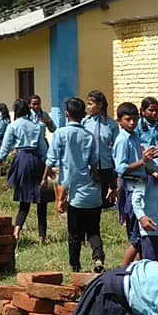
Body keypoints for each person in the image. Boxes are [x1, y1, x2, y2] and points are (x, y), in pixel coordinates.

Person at [47, 97, 106, 273]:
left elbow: (51, 159)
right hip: (93, 192)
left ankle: (75, 266)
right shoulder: (89, 136)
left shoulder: (60, 134)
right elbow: (94, 162)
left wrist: (45, 177)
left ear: (66, 114)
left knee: (74, 233)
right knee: (94, 230)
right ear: (83, 114)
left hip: (75, 194)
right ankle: (98, 257)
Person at [0, 99, 50, 244]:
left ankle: (16, 231)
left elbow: (5, 147)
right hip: (36, 160)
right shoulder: (37, 126)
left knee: (24, 199)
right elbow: (43, 149)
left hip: (22, 160)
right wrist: (49, 167)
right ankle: (41, 237)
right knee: (41, 201)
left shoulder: (13, 126)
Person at [112, 102, 153, 267]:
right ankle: (122, 270)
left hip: (141, 184)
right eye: (128, 119)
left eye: (135, 119)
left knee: (141, 235)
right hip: (130, 187)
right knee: (137, 236)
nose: (132, 123)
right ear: (119, 121)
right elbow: (121, 168)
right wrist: (142, 161)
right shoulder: (122, 140)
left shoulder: (135, 136)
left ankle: (139, 268)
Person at [83, 90, 120, 208]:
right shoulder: (85, 122)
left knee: (104, 200)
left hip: (106, 166)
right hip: (88, 166)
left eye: (90, 104)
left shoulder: (111, 124)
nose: (88, 107)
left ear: (100, 105)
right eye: (87, 104)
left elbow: (116, 146)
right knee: (89, 200)